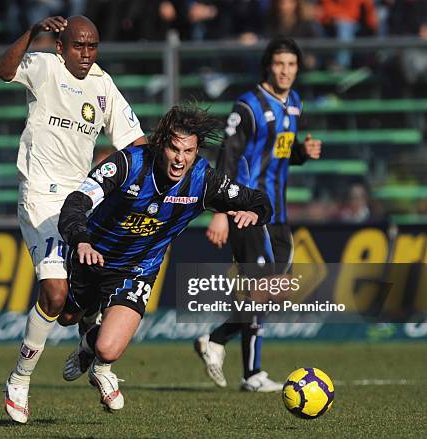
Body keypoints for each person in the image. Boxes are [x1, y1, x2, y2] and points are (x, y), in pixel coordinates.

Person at [57, 103, 272, 412]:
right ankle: (88, 330)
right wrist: (80, 241)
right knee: (66, 317)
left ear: (197, 151)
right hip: (93, 257)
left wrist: (255, 212)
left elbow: (258, 199)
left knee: (108, 348)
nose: (180, 159)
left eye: (188, 151)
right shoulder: (128, 164)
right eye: (174, 149)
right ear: (161, 144)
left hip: (138, 269)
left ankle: (95, 352)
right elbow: (75, 202)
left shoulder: (204, 180)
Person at [0, 15, 146, 423]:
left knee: (77, 302)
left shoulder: (102, 84)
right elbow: (3, 70)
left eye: (92, 46)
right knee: (56, 295)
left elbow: (135, 142)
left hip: (81, 202)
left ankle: (92, 354)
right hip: (41, 197)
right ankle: (20, 379)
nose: (85, 53)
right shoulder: (44, 65)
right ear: (62, 46)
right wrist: (31, 30)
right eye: (78, 45)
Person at [195, 37, 322, 392]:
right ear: (268, 66)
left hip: (276, 210)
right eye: (280, 64)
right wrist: (222, 210)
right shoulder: (247, 106)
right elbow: (229, 158)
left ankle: (216, 338)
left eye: (291, 65)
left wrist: (301, 152)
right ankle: (252, 374)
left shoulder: (294, 103)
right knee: (260, 285)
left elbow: (277, 151)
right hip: (246, 210)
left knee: (273, 289)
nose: (285, 71)